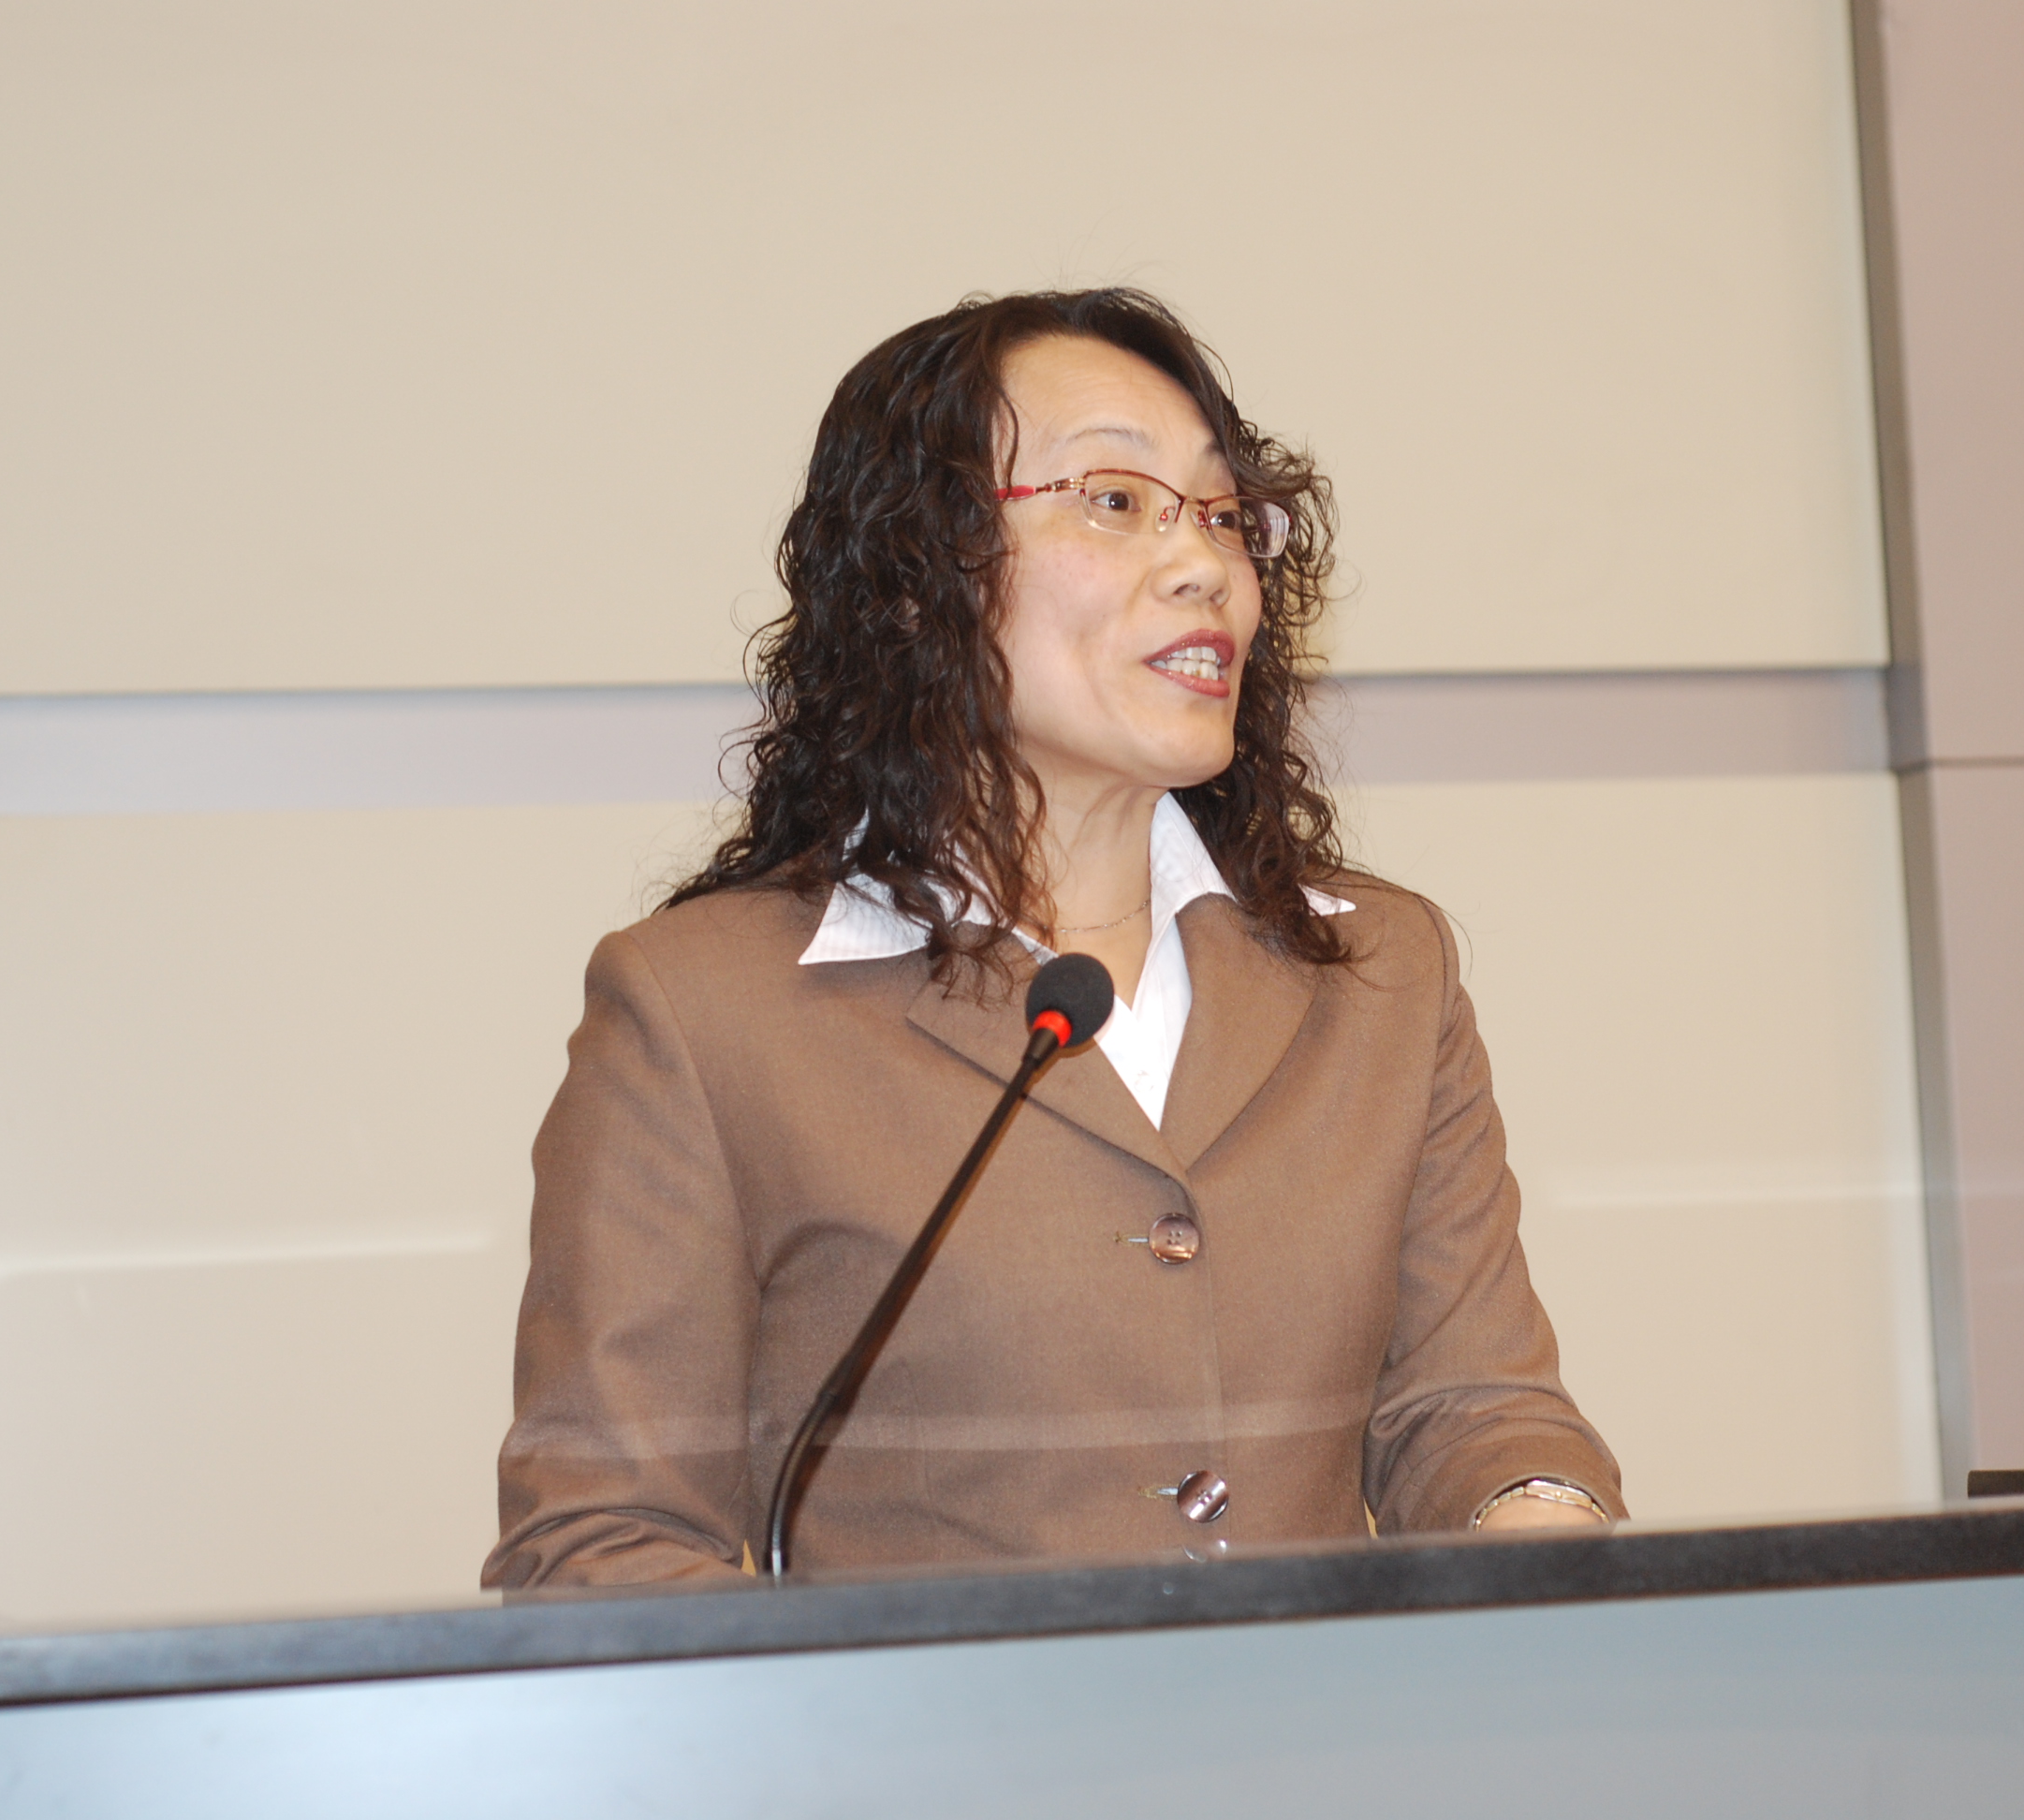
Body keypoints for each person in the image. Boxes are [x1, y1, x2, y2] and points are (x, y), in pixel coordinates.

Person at [483, 289, 1621, 1588]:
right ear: (918, 579)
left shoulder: (1381, 975)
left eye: (1225, 515)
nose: (1204, 565)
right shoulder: (703, 1012)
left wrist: (1546, 1541)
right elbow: (606, 1546)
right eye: (1116, 499)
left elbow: (1472, 1410)